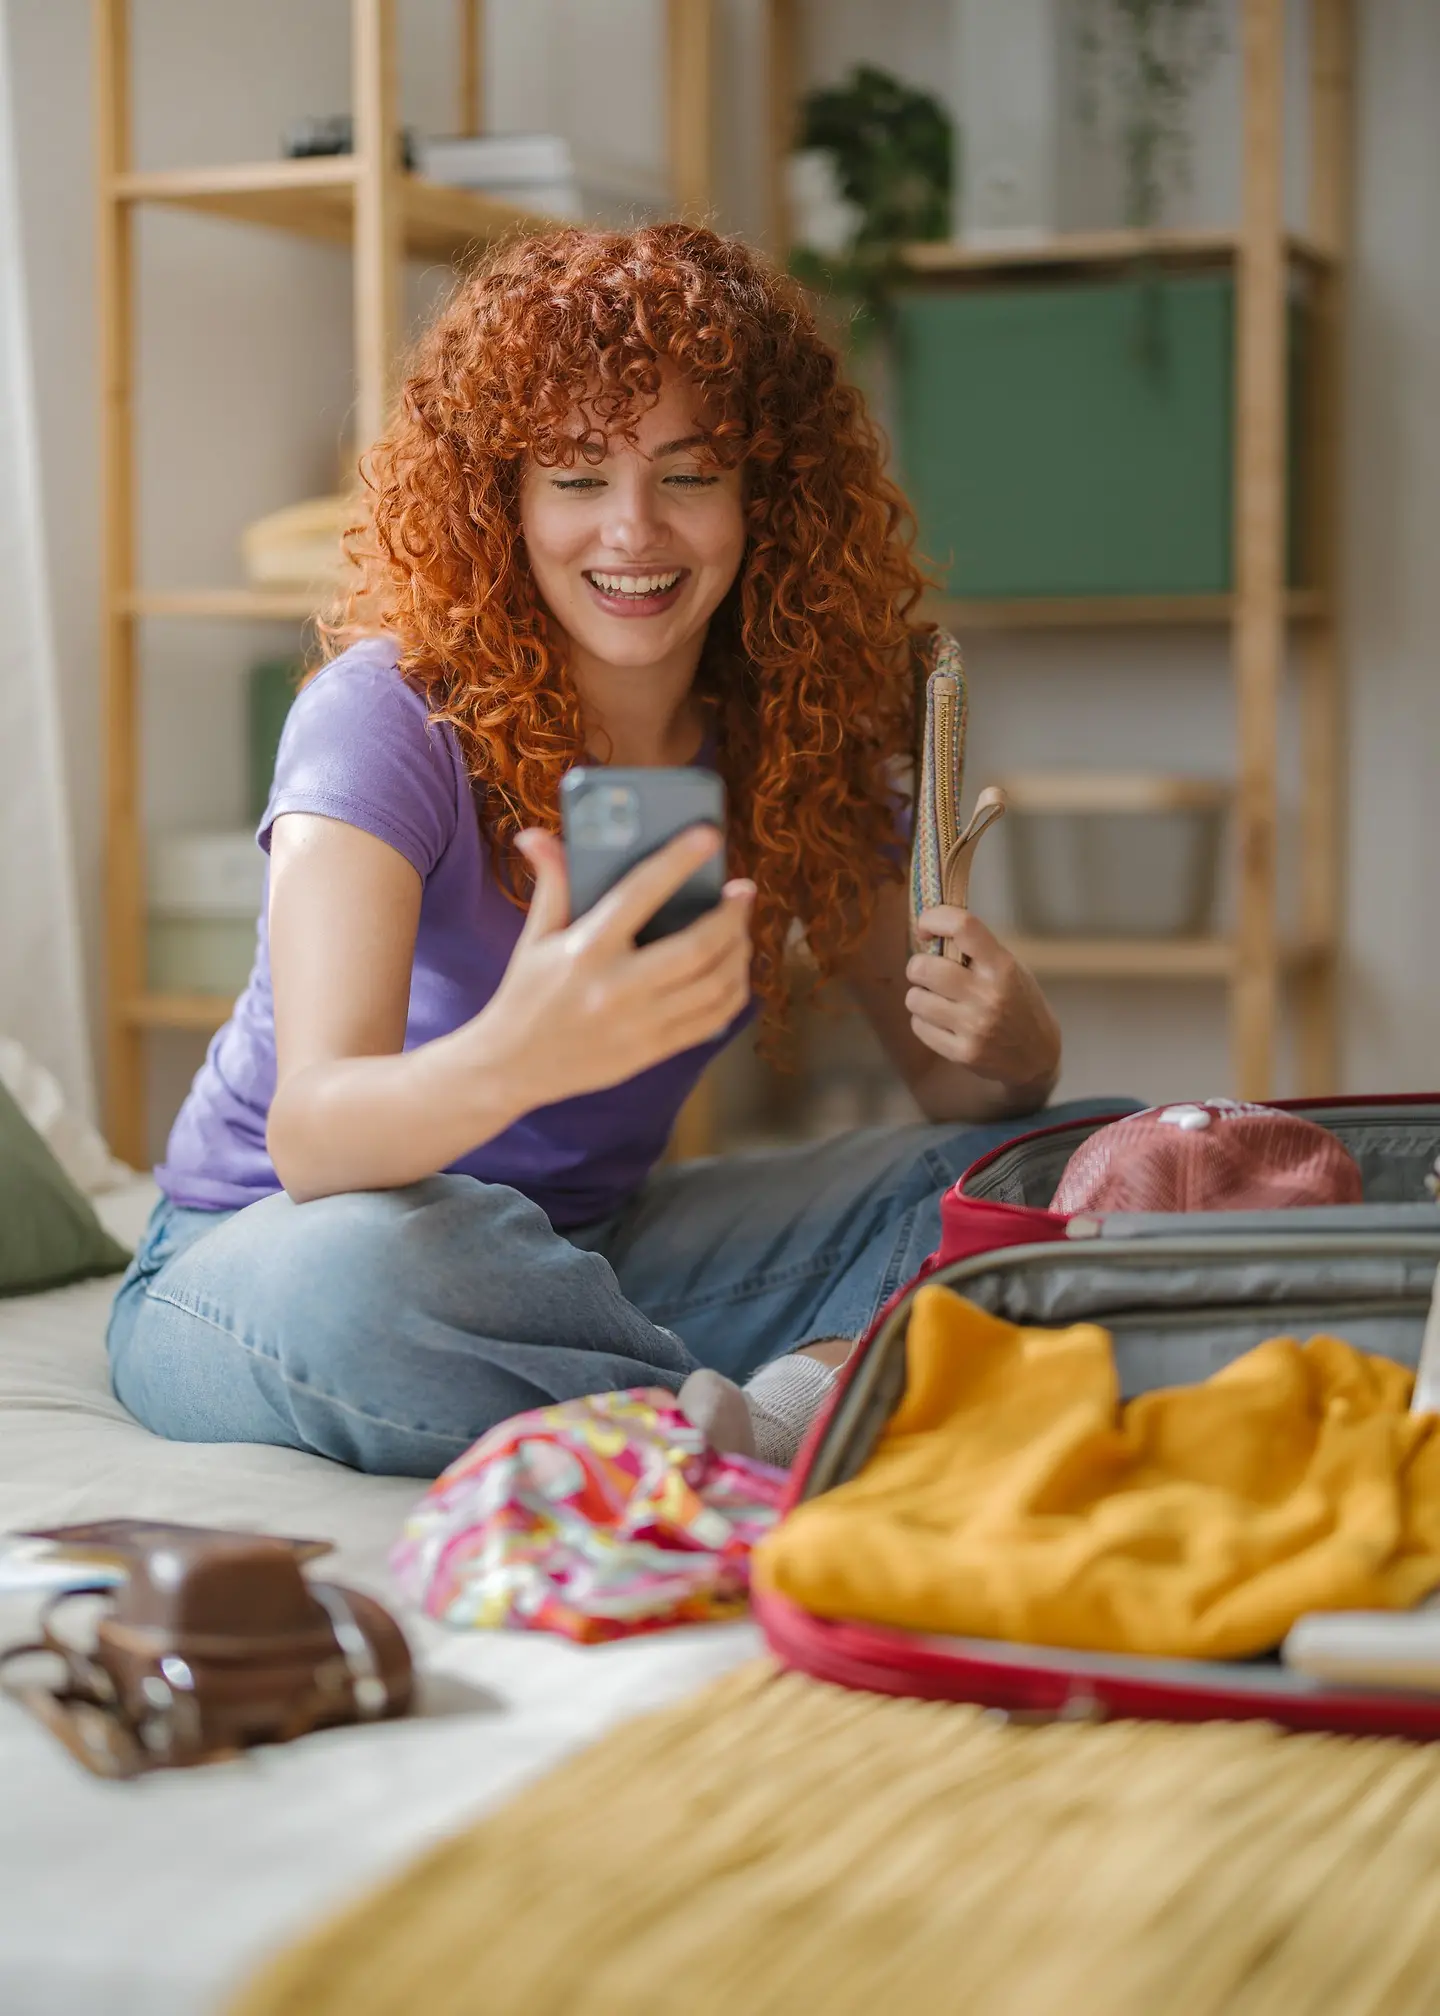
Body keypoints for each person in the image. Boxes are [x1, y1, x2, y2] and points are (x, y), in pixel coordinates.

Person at [108, 224, 1128, 1476]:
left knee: (1084, 1153)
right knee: (379, 1272)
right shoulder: (386, 716)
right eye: (578, 477)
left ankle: (756, 1415)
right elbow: (314, 1139)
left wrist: (1013, 1049)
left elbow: (954, 1097)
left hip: (595, 1250)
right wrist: (520, 1054)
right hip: (273, 1250)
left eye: (690, 476)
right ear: (506, 501)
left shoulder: (798, 731)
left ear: (764, 499)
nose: (633, 531)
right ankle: (812, 1408)